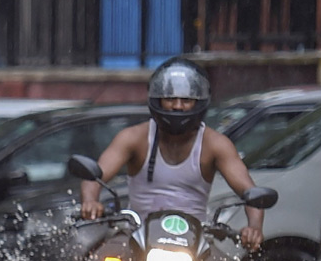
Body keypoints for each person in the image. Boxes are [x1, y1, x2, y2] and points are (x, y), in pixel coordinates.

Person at [79, 56, 265, 250]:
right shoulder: (133, 138)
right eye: (170, 99)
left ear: (199, 102)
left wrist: (254, 227)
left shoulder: (216, 145)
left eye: (186, 100)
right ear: (157, 100)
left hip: (195, 243)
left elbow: (250, 193)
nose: (177, 106)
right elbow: (94, 176)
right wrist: (91, 202)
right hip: (134, 235)